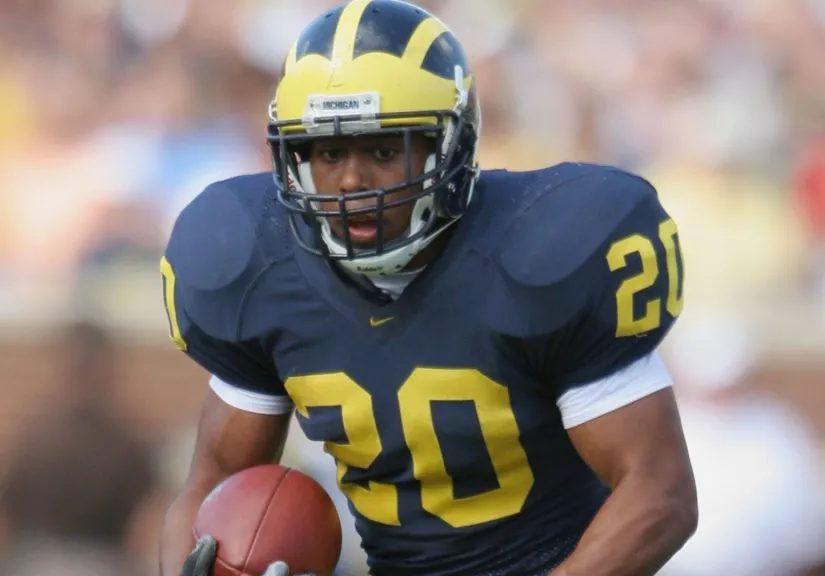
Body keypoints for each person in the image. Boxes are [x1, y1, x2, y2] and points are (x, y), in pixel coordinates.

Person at [159, 1, 697, 575]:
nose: (351, 183)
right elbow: (210, 489)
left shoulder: (549, 252)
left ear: (452, 145)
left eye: (385, 151)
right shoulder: (256, 265)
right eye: (330, 151)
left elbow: (658, 494)